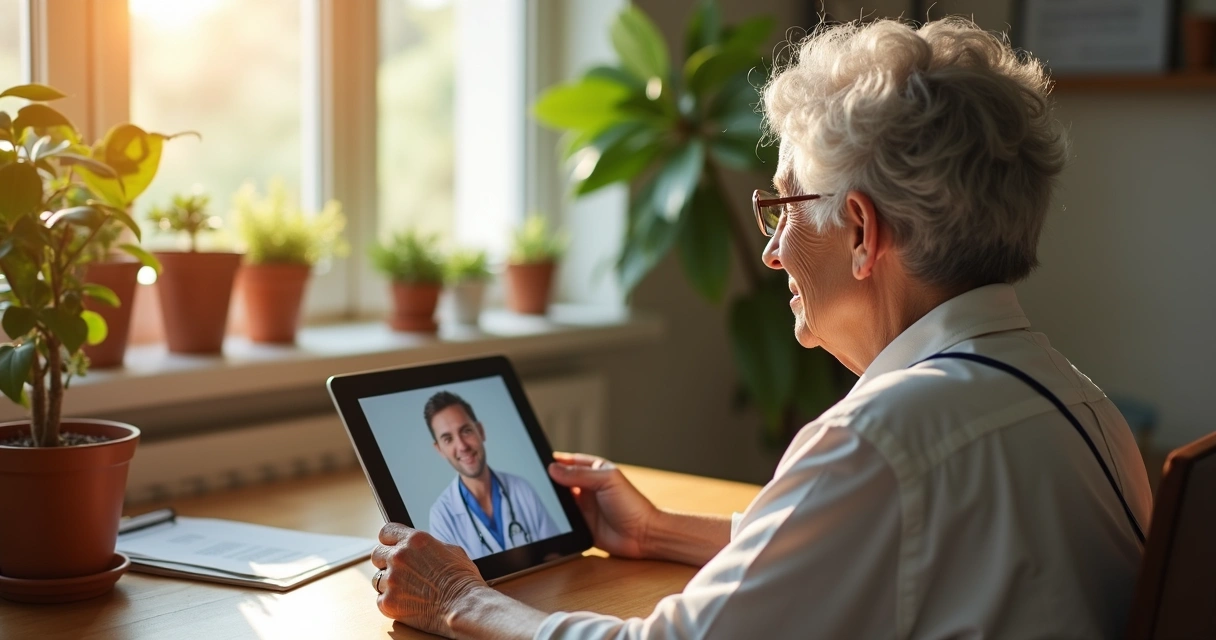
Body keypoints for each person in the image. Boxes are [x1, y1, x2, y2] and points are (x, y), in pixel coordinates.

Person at [370, 17, 1152, 638]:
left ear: (860, 232)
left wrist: (455, 600)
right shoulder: (1077, 403)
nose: (772, 253)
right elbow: (879, 549)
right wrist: (662, 532)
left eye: (782, 205)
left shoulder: (881, 438)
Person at [423, 390, 561, 559]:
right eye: (448, 439)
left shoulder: (522, 489)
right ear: (440, 450)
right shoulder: (441, 516)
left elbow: (555, 554)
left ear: (480, 431)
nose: (462, 446)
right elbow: (452, 582)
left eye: (466, 431)